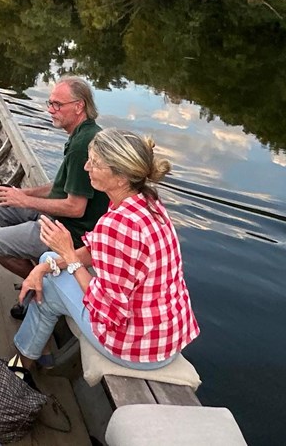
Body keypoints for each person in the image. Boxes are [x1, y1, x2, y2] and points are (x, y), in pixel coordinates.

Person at [14, 128, 199, 371]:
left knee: (48, 287)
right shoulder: (148, 201)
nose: (86, 167)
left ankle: (21, 365)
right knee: (49, 262)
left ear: (121, 177)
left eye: (95, 163)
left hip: (134, 348)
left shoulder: (117, 225)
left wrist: (69, 254)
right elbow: (94, 249)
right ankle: (33, 358)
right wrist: (43, 267)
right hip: (167, 338)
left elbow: (107, 312)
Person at [0, 77, 110, 311]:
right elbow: (59, 187)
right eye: (50, 103)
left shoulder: (84, 145)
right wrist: (22, 193)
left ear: (79, 106)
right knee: (5, 210)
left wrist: (25, 201)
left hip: (71, 232)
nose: (51, 110)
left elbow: (76, 207)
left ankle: (37, 283)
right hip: (61, 220)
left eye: (57, 105)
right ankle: (38, 269)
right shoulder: (81, 135)